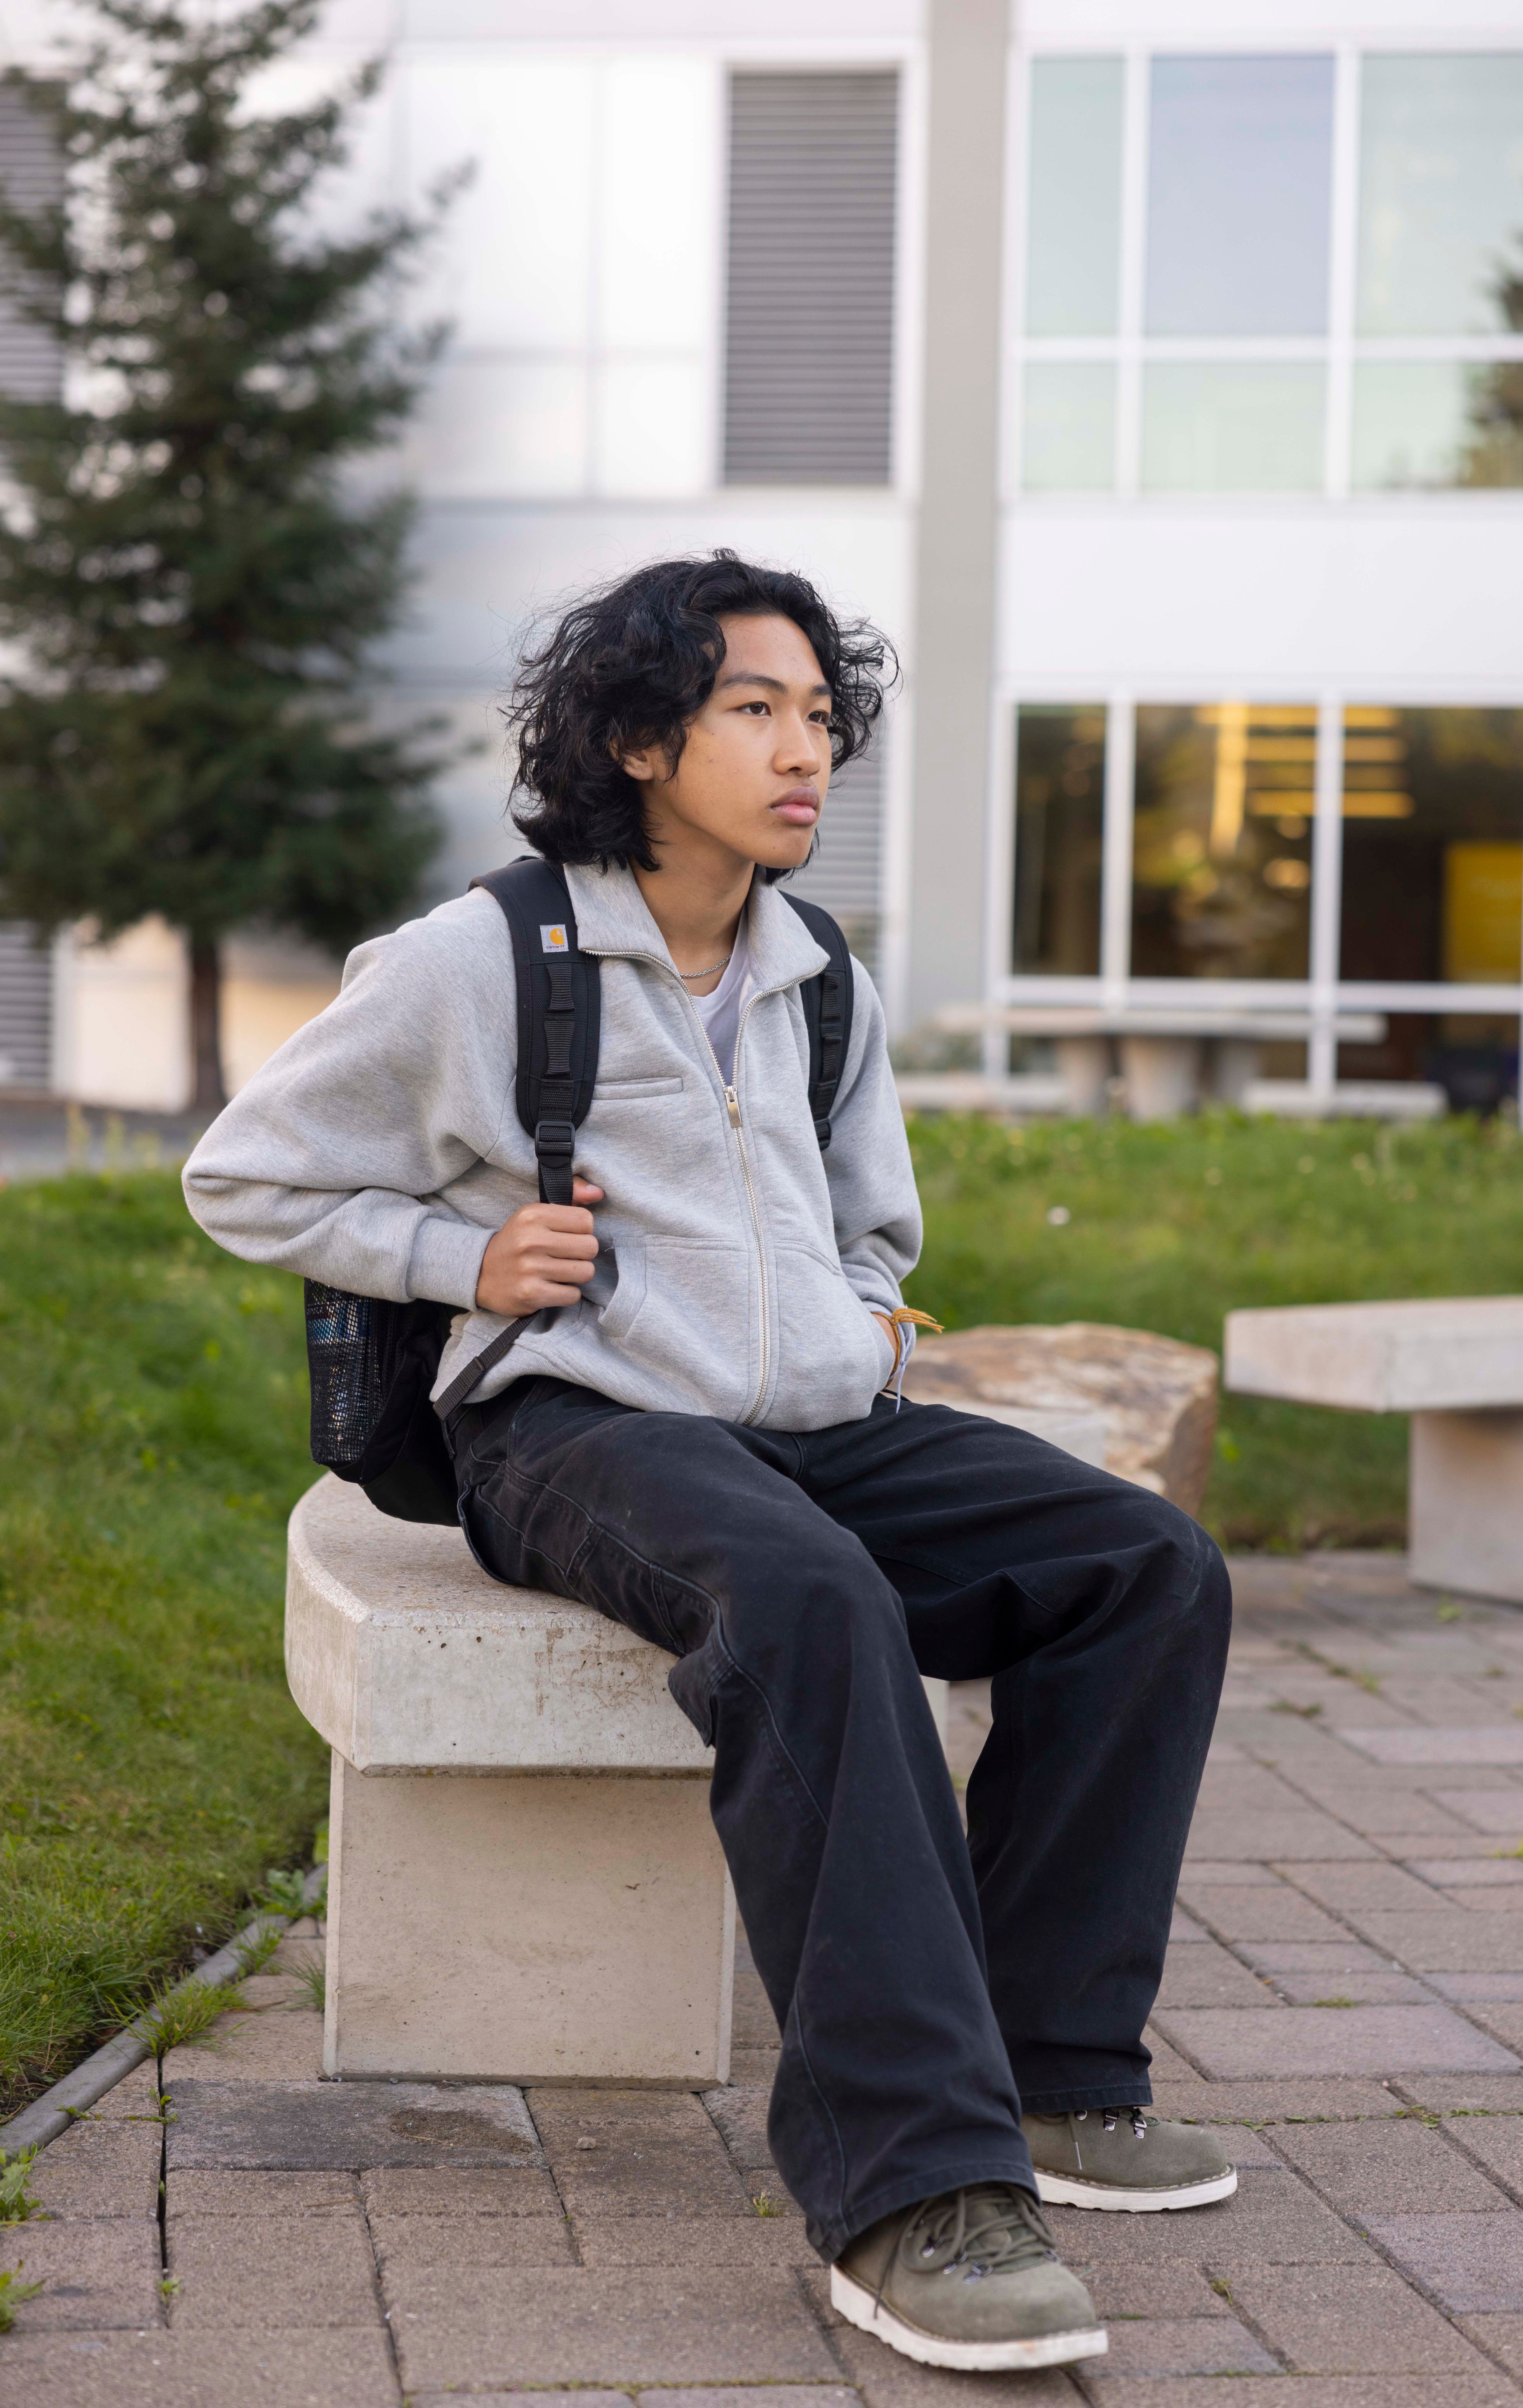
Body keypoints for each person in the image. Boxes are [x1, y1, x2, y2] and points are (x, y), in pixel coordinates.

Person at [183, 550, 1233, 2374]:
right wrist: (462, 1259)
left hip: (819, 1429)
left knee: (1142, 1569)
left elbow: (868, 1223)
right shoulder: (485, 959)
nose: (806, 749)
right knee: (807, 1603)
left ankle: (1056, 2077)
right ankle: (910, 2190)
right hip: (572, 1430)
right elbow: (241, 1172)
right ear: (638, 736)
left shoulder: (819, 970)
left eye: (823, 717)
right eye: (756, 708)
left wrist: (859, 1320)